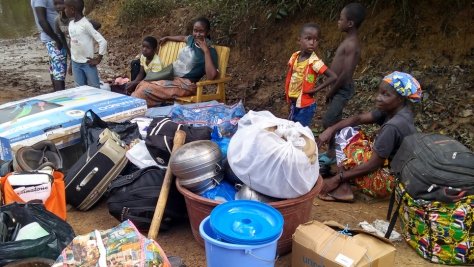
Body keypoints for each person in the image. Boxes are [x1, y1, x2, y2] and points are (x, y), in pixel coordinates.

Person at [317, 71, 422, 202]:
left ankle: (343, 187)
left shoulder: (393, 126)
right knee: (350, 132)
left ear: (400, 98)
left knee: (345, 134)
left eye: (385, 94)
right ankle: (344, 183)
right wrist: (331, 129)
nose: (378, 98)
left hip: (387, 182)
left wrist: (337, 178)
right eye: (380, 92)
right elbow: (358, 118)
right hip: (396, 172)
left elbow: (372, 165)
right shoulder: (397, 111)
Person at [131, 17, 218, 107]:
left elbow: (211, 76)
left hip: (186, 84)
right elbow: (183, 38)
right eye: (195, 30)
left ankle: (135, 108)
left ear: (208, 32)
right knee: (143, 83)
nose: (197, 34)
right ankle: (138, 107)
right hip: (172, 77)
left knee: (145, 89)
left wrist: (206, 51)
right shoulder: (192, 40)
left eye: (201, 31)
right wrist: (168, 37)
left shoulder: (210, 51)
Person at [319, 3, 366, 166]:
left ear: (350, 23)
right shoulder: (348, 41)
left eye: (341, 19)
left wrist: (331, 92)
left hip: (342, 88)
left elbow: (346, 74)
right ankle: (334, 151)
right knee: (333, 120)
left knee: (329, 121)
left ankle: (334, 153)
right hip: (337, 87)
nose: (338, 22)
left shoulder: (352, 44)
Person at [285, 23, 337, 127]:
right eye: (308, 39)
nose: (312, 43)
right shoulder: (294, 57)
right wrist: (288, 96)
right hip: (293, 102)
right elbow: (291, 76)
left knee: (300, 132)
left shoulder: (315, 62)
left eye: (316, 40)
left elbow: (333, 76)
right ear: (299, 40)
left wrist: (315, 90)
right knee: (291, 129)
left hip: (305, 106)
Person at [64, 0, 107, 88]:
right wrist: (71, 64)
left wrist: (98, 59)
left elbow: (103, 41)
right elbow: (72, 45)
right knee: (80, 89)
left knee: (95, 88)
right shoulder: (71, 24)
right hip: (76, 64)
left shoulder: (86, 24)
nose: (64, 10)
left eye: (66, 8)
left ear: (72, 9)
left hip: (88, 63)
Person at [54, 0, 101, 77]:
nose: (58, 6)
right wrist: (71, 59)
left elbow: (97, 25)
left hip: (85, 51)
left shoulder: (74, 19)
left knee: (90, 74)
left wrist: (85, 33)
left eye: (61, 3)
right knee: (80, 78)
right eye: (55, 4)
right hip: (74, 51)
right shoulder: (57, 21)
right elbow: (63, 41)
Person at [31, 0, 67, 91]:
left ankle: (57, 95)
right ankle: (61, 96)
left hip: (55, 37)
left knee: (55, 70)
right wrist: (57, 40)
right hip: (54, 38)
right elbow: (42, 20)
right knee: (59, 72)